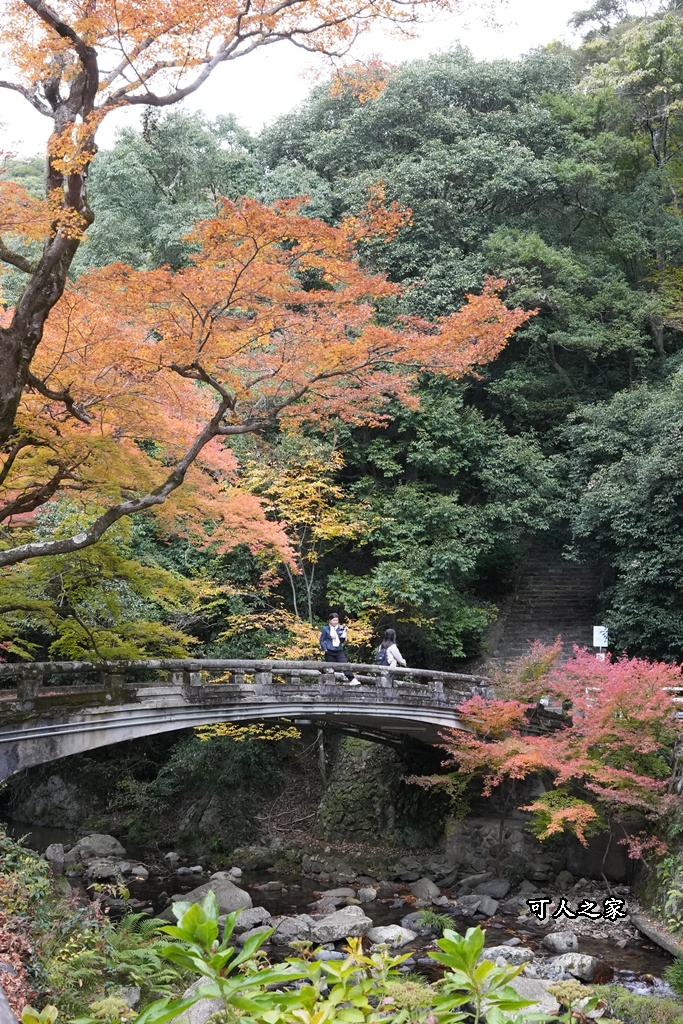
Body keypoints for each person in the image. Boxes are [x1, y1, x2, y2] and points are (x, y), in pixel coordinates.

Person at [319, 613, 361, 686]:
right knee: (330, 669)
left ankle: (352, 679)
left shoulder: (340, 628)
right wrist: (324, 648)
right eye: (334, 620)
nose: (335, 622)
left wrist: (344, 632)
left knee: (344, 665)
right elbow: (322, 640)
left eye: (336, 620)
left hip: (338, 650)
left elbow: (341, 641)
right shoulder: (325, 629)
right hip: (329, 650)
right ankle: (329, 684)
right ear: (330, 621)